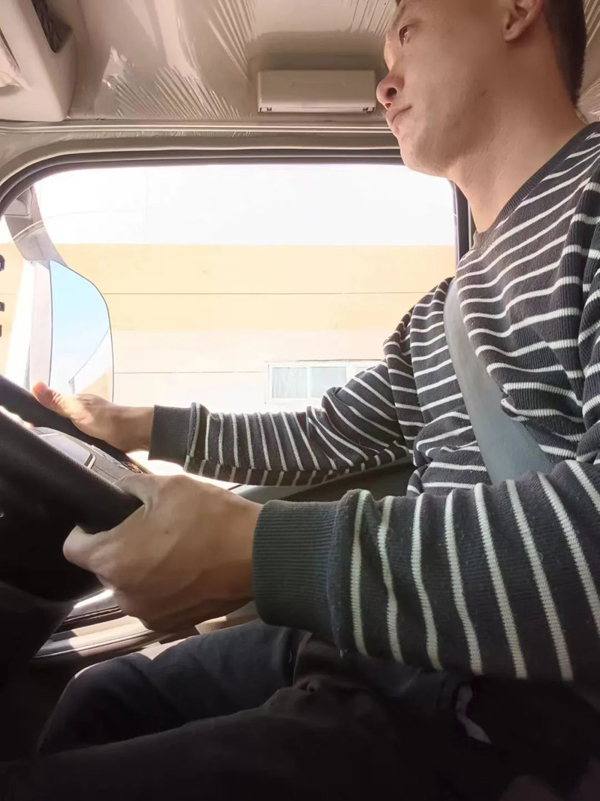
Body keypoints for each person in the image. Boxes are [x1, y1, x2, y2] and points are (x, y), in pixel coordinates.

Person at [4, 0, 600, 797]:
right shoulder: (441, 312)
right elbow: (321, 436)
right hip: (387, 655)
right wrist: (132, 424)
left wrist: (263, 551)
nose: (384, 86)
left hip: (500, 713)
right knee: (102, 697)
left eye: (409, 31)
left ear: (516, 10)